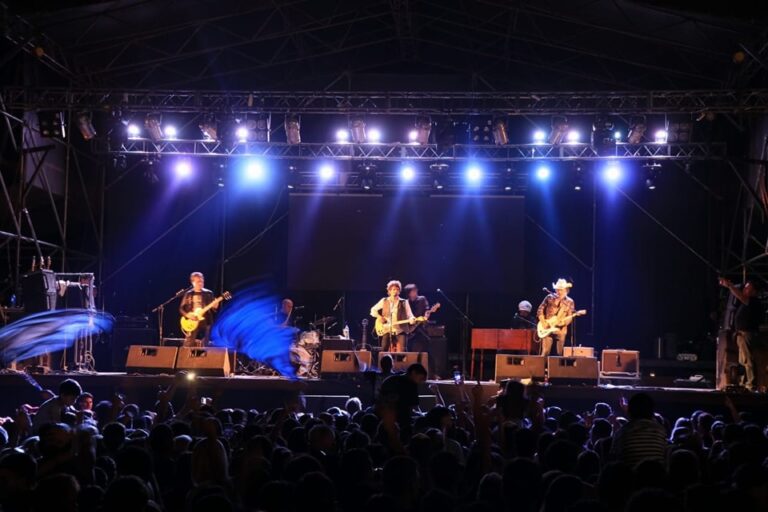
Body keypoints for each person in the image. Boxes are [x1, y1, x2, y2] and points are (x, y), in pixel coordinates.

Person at [718, 277, 763, 390]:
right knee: (743, 360)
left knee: (747, 360)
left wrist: (729, 285)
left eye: (747, 288)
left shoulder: (753, 301)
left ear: (753, 291)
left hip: (747, 334)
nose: (744, 290)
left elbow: (740, 296)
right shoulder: (748, 301)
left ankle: (750, 385)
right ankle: (744, 384)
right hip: (742, 334)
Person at [611, 393, 668, 467]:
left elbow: (613, 460)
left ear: (630, 411)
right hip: (657, 476)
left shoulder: (622, 432)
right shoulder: (660, 431)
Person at [378, 363, 428, 435]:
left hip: (385, 419)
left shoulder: (391, 380)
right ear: (413, 373)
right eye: (420, 379)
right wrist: (421, 416)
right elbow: (413, 407)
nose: (420, 382)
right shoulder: (411, 385)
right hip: (403, 421)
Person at [370, 280, 415, 352]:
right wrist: (379, 317)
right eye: (394, 289)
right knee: (384, 349)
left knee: (403, 351)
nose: (395, 291)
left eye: (397, 289)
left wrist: (412, 319)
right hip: (387, 329)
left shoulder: (404, 302)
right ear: (389, 291)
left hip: (400, 330)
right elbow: (373, 310)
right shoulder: (384, 300)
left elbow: (410, 315)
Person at [536, 279, 576, 357]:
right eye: (557, 290)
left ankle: (557, 369)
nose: (559, 292)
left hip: (561, 330)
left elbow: (570, 316)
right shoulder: (549, 297)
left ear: (566, 290)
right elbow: (540, 310)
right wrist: (543, 322)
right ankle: (541, 368)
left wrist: (563, 323)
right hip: (547, 328)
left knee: (559, 353)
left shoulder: (569, 302)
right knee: (545, 352)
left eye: (561, 290)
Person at [178, 272, 218, 347]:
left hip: (206, 321)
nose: (201, 283)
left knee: (205, 343)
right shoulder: (188, 294)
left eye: (202, 281)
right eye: (198, 281)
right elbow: (181, 308)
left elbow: (213, 309)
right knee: (188, 343)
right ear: (193, 282)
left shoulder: (209, 293)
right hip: (192, 321)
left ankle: (203, 356)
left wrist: (215, 307)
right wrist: (188, 315)